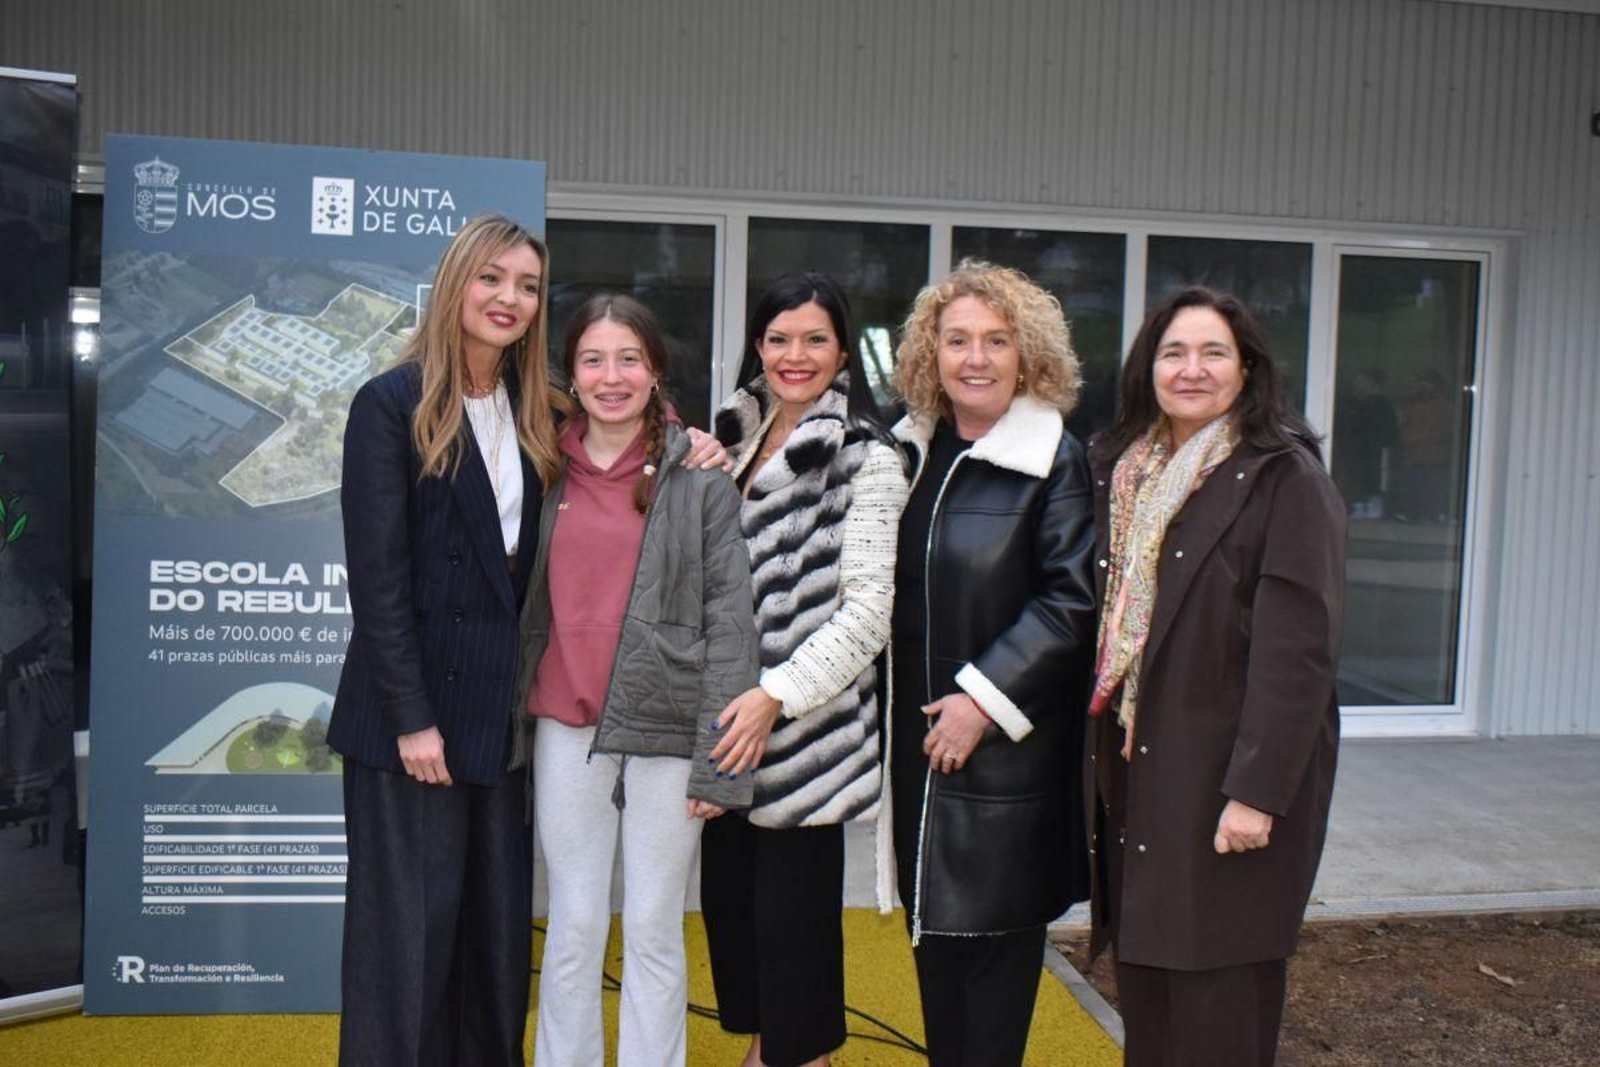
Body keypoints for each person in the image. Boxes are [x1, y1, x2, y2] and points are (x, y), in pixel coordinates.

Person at [1086, 285, 1347, 1067]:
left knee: (1220, 1008)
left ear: (1248, 368)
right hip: (1147, 777)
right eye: (1174, 352)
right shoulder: (1127, 472)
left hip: (1230, 791)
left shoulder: (1283, 476)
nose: (1190, 369)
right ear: (1148, 368)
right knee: (1153, 1006)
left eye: (1212, 353)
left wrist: (1257, 793)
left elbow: (1298, 652)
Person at [328, 213, 561, 1067]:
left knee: (493, 946)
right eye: (492, 278)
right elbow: (378, 581)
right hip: (412, 727)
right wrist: (411, 717)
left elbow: (633, 437)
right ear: (455, 283)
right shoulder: (388, 405)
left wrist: (692, 450)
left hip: (501, 723)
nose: (509, 298)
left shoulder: (540, 410)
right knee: (407, 948)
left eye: (528, 286)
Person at [514, 293, 758, 1067]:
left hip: (669, 726)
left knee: (654, 924)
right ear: (571, 371)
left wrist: (718, 758)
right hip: (567, 725)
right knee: (575, 923)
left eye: (629, 359)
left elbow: (732, 617)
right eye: (593, 359)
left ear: (655, 370)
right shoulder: (541, 464)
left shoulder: (701, 476)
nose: (610, 376)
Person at [883, 260, 1096, 1067]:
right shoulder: (910, 452)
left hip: (1005, 763)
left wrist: (981, 697)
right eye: (958, 339)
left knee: (996, 987)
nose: (975, 357)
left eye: (996, 340)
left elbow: (1071, 602)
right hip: (922, 762)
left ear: (1027, 353)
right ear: (928, 354)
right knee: (936, 970)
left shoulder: (1054, 458)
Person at [699, 272, 908, 1067]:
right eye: (779, 338)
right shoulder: (727, 439)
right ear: (757, 344)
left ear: (843, 350)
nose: (796, 355)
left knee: (794, 948)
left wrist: (773, 698)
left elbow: (866, 615)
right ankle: (764, 1052)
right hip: (723, 734)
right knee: (738, 928)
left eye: (815, 338)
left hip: (802, 741)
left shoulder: (868, 457)